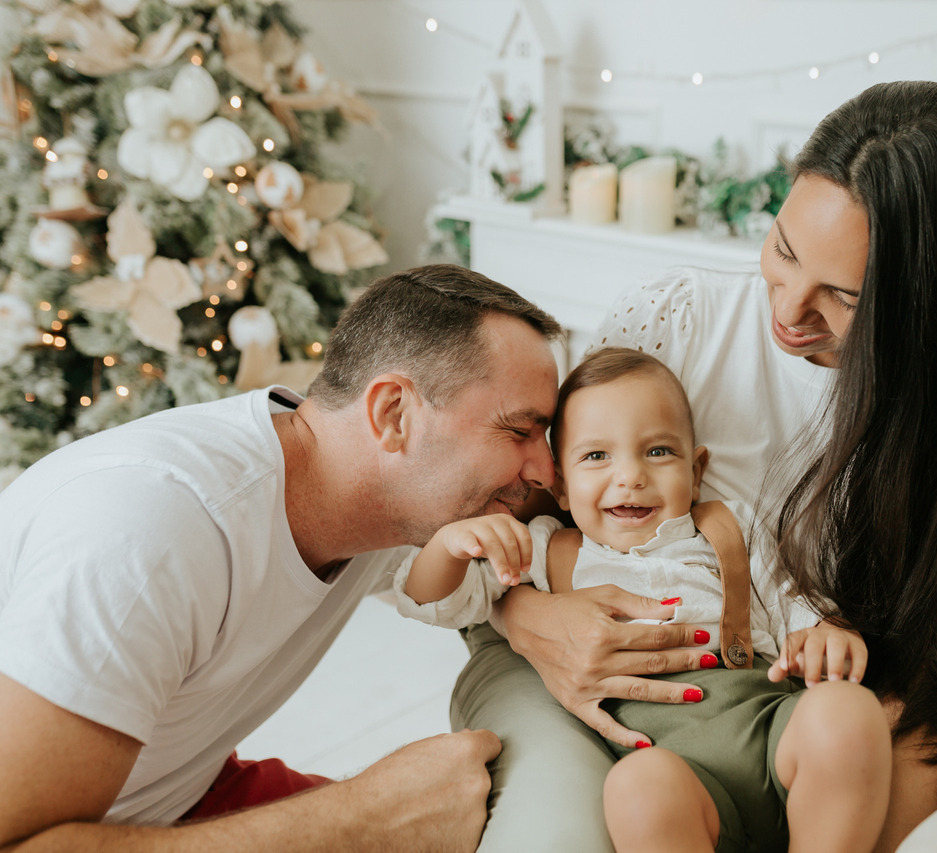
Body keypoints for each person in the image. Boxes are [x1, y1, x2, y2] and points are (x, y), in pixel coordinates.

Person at [453, 80, 937, 852]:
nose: (788, 308)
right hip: (587, 693)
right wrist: (531, 620)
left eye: (843, 296)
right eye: (782, 249)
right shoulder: (675, 323)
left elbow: (925, 715)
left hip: (783, 733)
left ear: (927, 309)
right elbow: (504, 525)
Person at [0, 264, 564, 852]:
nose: (544, 470)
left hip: (174, 790)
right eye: (521, 431)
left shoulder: (388, 488)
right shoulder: (150, 535)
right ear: (394, 415)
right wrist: (362, 822)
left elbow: (570, 517)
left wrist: (530, 613)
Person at [399, 346, 887, 851]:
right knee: (637, 788)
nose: (630, 476)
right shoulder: (547, 552)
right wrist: (449, 545)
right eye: (596, 456)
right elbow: (434, 604)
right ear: (561, 486)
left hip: (769, 733)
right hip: (681, 778)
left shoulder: (726, 525)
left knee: (846, 710)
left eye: (657, 452)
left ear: (696, 472)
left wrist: (823, 629)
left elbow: (790, 602)